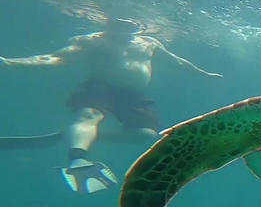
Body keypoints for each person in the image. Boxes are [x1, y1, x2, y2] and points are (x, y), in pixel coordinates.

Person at [0, 18, 222, 194]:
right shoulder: (91, 40)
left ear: (138, 26)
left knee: (145, 134)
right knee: (89, 115)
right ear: (107, 22)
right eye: (118, 23)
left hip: (133, 96)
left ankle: (72, 135)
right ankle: (78, 158)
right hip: (100, 87)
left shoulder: (151, 43)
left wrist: (204, 74)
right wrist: (11, 63)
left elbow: (177, 61)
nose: (123, 28)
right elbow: (55, 58)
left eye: (129, 24)